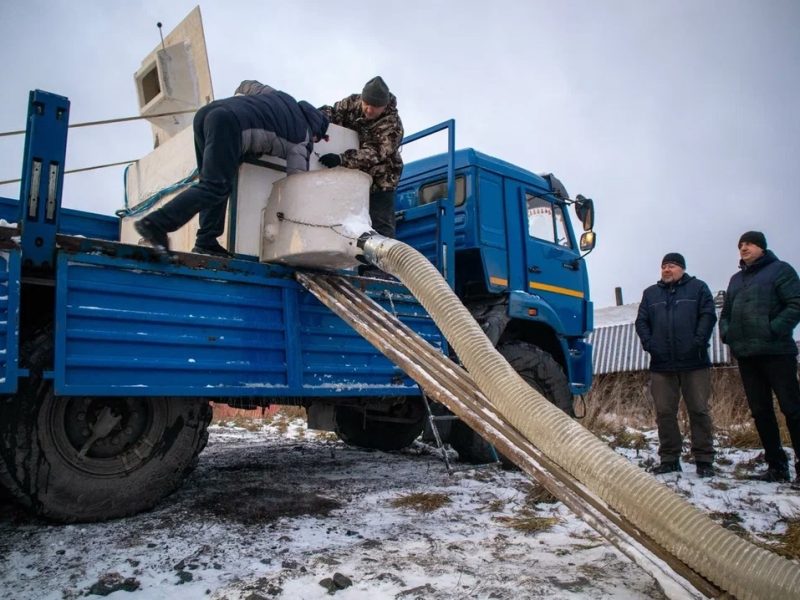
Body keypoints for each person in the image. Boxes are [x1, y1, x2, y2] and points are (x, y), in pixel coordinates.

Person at [135, 80, 330, 257]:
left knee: (216, 184)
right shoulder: (303, 138)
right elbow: (297, 184)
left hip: (207, 115)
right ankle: (156, 223)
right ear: (316, 132)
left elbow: (246, 85)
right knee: (215, 187)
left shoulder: (279, 96)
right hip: (229, 124)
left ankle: (206, 241)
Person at [720, 231, 800, 483]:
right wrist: (728, 334)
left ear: (762, 247)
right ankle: (776, 466)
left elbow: (796, 304)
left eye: (749, 244)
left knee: (792, 408)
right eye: (741, 245)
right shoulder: (736, 280)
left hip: (777, 352)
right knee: (760, 411)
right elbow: (726, 313)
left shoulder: (780, 270)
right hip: (747, 355)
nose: (744, 248)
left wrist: (772, 329)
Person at [635, 253, 717, 477]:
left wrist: (698, 342)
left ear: (682, 268)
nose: (666, 270)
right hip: (662, 364)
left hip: (694, 361)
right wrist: (650, 344)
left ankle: (704, 459)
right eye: (663, 266)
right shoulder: (651, 294)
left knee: (698, 410)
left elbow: (708, 315)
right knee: (664, 412)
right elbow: (641, 321)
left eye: (671, 266)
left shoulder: (698, 288)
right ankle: (669, 458)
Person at [318, 76, 404, 239]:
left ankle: (381, 255)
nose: (369, 110)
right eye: (366, 104)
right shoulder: (352, 103)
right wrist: (316, 118)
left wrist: (342, 159)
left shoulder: (392, 125)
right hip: (354, 177)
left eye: (375, 107)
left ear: (384, 106)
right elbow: (333, 112)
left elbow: (375, 153)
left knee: (380, 228)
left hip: (381, 180)